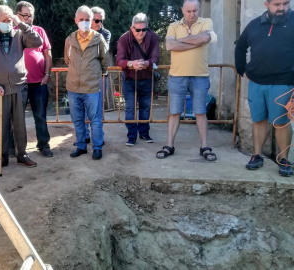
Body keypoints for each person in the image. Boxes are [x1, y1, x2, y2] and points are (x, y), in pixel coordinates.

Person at [0, 5, 42, 171]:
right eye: (4, 20)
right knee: (3, 124)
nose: (7, 22)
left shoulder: (20, 34)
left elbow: (37, 41)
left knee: (20, 124)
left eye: (9, 19)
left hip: (19, 87)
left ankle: (22, 155)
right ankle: (2, 157)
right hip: (0, 89)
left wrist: (18, 22)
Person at [235, 0, 294, 176]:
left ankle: (283, 160)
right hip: (257, 82)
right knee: (258, 120)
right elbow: (240, 47)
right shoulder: (254, 25)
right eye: (277, 4)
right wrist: (241, 70)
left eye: (286, 3)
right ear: (266, 4)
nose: (282, 8)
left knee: (281, 122)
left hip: (283, 82)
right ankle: (256, 155)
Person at [156, 0, 217, 161]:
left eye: (195, 11)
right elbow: (169, 45)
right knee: (174, 112)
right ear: (183, 10)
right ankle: (169, 144)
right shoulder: (174, 26)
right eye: (189, 11)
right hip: (177, 76)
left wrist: (180, 42)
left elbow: (205, 37)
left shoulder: (206, 22)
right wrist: (195, 42)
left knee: (200, 113)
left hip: (200, 76)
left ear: (199, 9)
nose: (192, 14)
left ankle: (205, 146)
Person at [65, 5, 109, 160]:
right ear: (76, 20)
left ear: (91, 22)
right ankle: (81, 146)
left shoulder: (98, 39)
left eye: (87, 20)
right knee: (77, 120)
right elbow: (67, 60)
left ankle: (97, 148)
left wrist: (96, 74)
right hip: (73, 87)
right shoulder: (70, 39)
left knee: (95, 121)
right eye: (81, 19)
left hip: (91, 87)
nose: (84, 22)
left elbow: (105, 60)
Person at [15, 1, 53, 158]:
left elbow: (47, 54)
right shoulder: (12, 32)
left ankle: (43, 145)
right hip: (18, 84)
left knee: (40, 116)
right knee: (16, 117)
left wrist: (47, 75)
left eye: (31, 15)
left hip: (39, 82)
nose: (29, 18)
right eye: (25, 15)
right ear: (17, 15)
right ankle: (14, 148)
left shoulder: (39, 31)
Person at [117, 13, 160, 146]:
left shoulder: (153, 37)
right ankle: (131, 136)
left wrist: (146, 63)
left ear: (147, 28)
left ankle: (144, 133)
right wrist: (131, 64)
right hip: (130, 78)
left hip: (146, 77)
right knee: (130, 108)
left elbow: (155, 58)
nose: (141, 33)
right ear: (132, 28)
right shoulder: (124, 39)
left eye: (144, 30)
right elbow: (119, 60)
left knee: (145, 107)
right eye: (138, 30)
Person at [78, 6, 111, 145]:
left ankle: (98, 137)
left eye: (101, 21)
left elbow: (102, 54)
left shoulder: (105, 34)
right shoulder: (77, 34)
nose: (99, 23)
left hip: (99, 76)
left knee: (97, 109)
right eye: (96, 20)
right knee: (82, 108)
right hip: (83, 76)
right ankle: (85, 135)